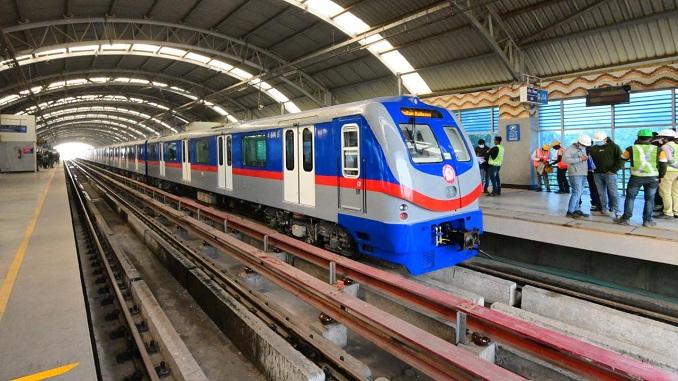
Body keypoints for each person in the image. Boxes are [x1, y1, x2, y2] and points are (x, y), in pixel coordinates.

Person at [614, 129, 668, 227]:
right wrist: (661, 176)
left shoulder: (630, 149)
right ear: (651, 138)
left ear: (638, 138)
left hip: (636, 178)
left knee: (630, 198)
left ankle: (626, 218)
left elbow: (621, 160)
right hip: (652, 178)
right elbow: (663, 165)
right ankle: (647, 221)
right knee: (649, 199)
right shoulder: (659, 150)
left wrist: (614, 170)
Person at [589, 131, 624, 217]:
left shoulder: (614, 147)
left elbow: (621, 160)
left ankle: (617, 212)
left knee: (613, 193)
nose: (598, 142)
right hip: (597, 174)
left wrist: (613, 170)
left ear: (606, 139)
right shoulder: (593, 148)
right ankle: (604, 209)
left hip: (610, 174)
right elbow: (590, 160)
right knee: (601, 193)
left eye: (600, 140)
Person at [563, 134, 592, 218]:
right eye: (583, 145)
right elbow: (565, 159)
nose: (584, 146)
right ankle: (570, 211)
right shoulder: (570, 149)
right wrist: (580, 159)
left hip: (583, 173)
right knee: (576, 192)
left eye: (585, 145)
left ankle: (576, 210)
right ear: (579, 142)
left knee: (579, 192)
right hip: (575, 174)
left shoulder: (583, 149)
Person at [656, 129, 678, 219]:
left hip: (668, 172)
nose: (660, 139)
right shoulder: (677, 145)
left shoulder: (665, 147)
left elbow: (669, 160)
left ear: (665, 138)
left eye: (661, 137)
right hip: (676, 173)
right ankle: (676, 211)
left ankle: (667, 213)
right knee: (675, 192)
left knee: (665, 193)